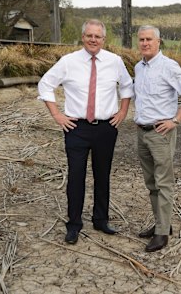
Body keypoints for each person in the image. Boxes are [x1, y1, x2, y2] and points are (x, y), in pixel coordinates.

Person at [37, 19, 134, 244]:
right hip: (76, 128)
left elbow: (127, 86)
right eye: (89, 35)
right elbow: (45, 84)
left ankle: (101, 220)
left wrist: (123, 112)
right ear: (83, 37)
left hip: (106, 127)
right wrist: (57, 115)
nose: (93, 40)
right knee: (76, 176)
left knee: (103, 175)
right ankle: (74, 224)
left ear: (104, 39)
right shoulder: (68, 62)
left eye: (97, 36)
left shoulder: (115, 61)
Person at [133, 25, 181, 252]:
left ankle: (162, 234)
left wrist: (176, 120)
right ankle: (162, 224)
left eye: (149, 39)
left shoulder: (168, 66)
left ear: (158, 41)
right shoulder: (138, 67)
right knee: (151, 183)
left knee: (163, 183)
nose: (145, 43)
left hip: (161, 134)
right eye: (141, 39)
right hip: (142, 133)